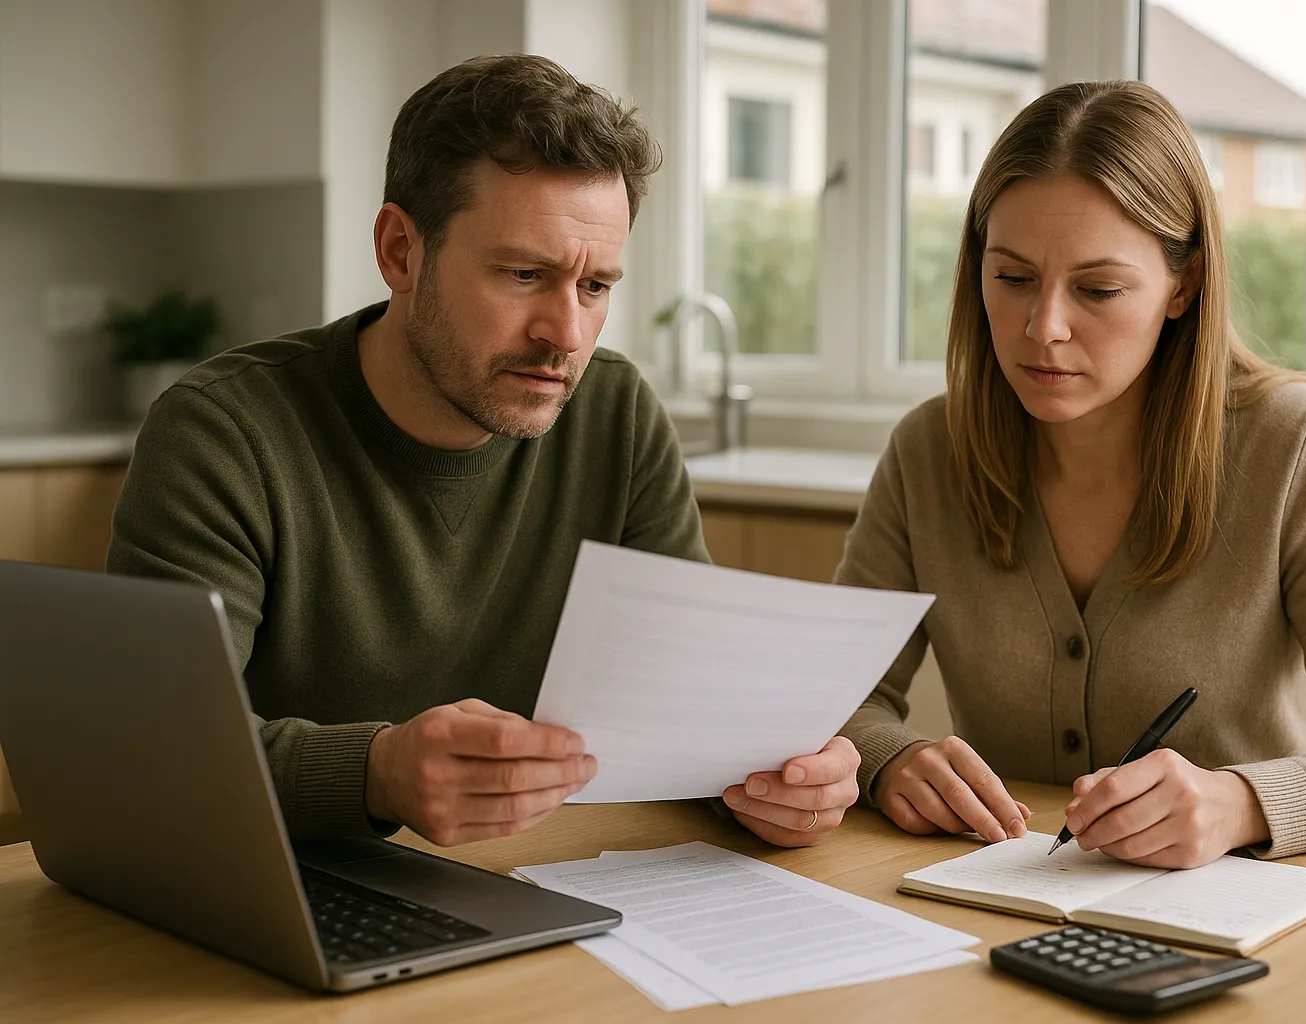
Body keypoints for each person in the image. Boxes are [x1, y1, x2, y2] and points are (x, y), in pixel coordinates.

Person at [108, 54, 858, 849]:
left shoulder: (615, 412)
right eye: (525, 273)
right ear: (400, 250)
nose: (565, 335)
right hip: (279, 889)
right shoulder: (224, 433)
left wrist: (776, 782)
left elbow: (686, 702)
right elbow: (151, 757)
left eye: (596, 287)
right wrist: (378, 772)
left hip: (535, 885)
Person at [836, 80, 1306, 868]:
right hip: (1005, 913)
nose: (1046, 328)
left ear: (1185, 282)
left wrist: (1238, 803)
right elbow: (837, 702)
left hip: (1255, 930)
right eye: (1011, 278)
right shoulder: (927, 452)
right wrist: (889, 758)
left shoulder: (1296, 445)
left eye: (1099, 289)